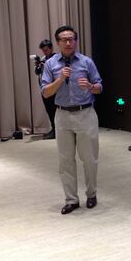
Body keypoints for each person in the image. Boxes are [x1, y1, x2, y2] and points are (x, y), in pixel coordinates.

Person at [41, 25, 102, 214]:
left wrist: (91, 86)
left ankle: (91, 194)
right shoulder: (51, 64)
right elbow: (45, 93)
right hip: (62, 115)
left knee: (89, 158)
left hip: (85, 114)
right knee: (65, 160)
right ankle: (71, 199)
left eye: (71, 39)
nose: (68, 42)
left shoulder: (86, 62)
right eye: (64, 40)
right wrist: (59, 80)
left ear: (76, 41)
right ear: (58, 43)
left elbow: (100, 86)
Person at [33, 39, 56, 139]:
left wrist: (45, 65)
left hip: (53, 88)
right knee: (49, 110)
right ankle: (53, 129)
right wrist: (38, 66)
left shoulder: (55, 58)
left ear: (51, 49)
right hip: (44, 88)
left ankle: (56, 131)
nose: (44, 52)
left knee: (54, 110)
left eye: (46, 50)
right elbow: (37, 73)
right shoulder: (43, 58)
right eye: (43, 50)